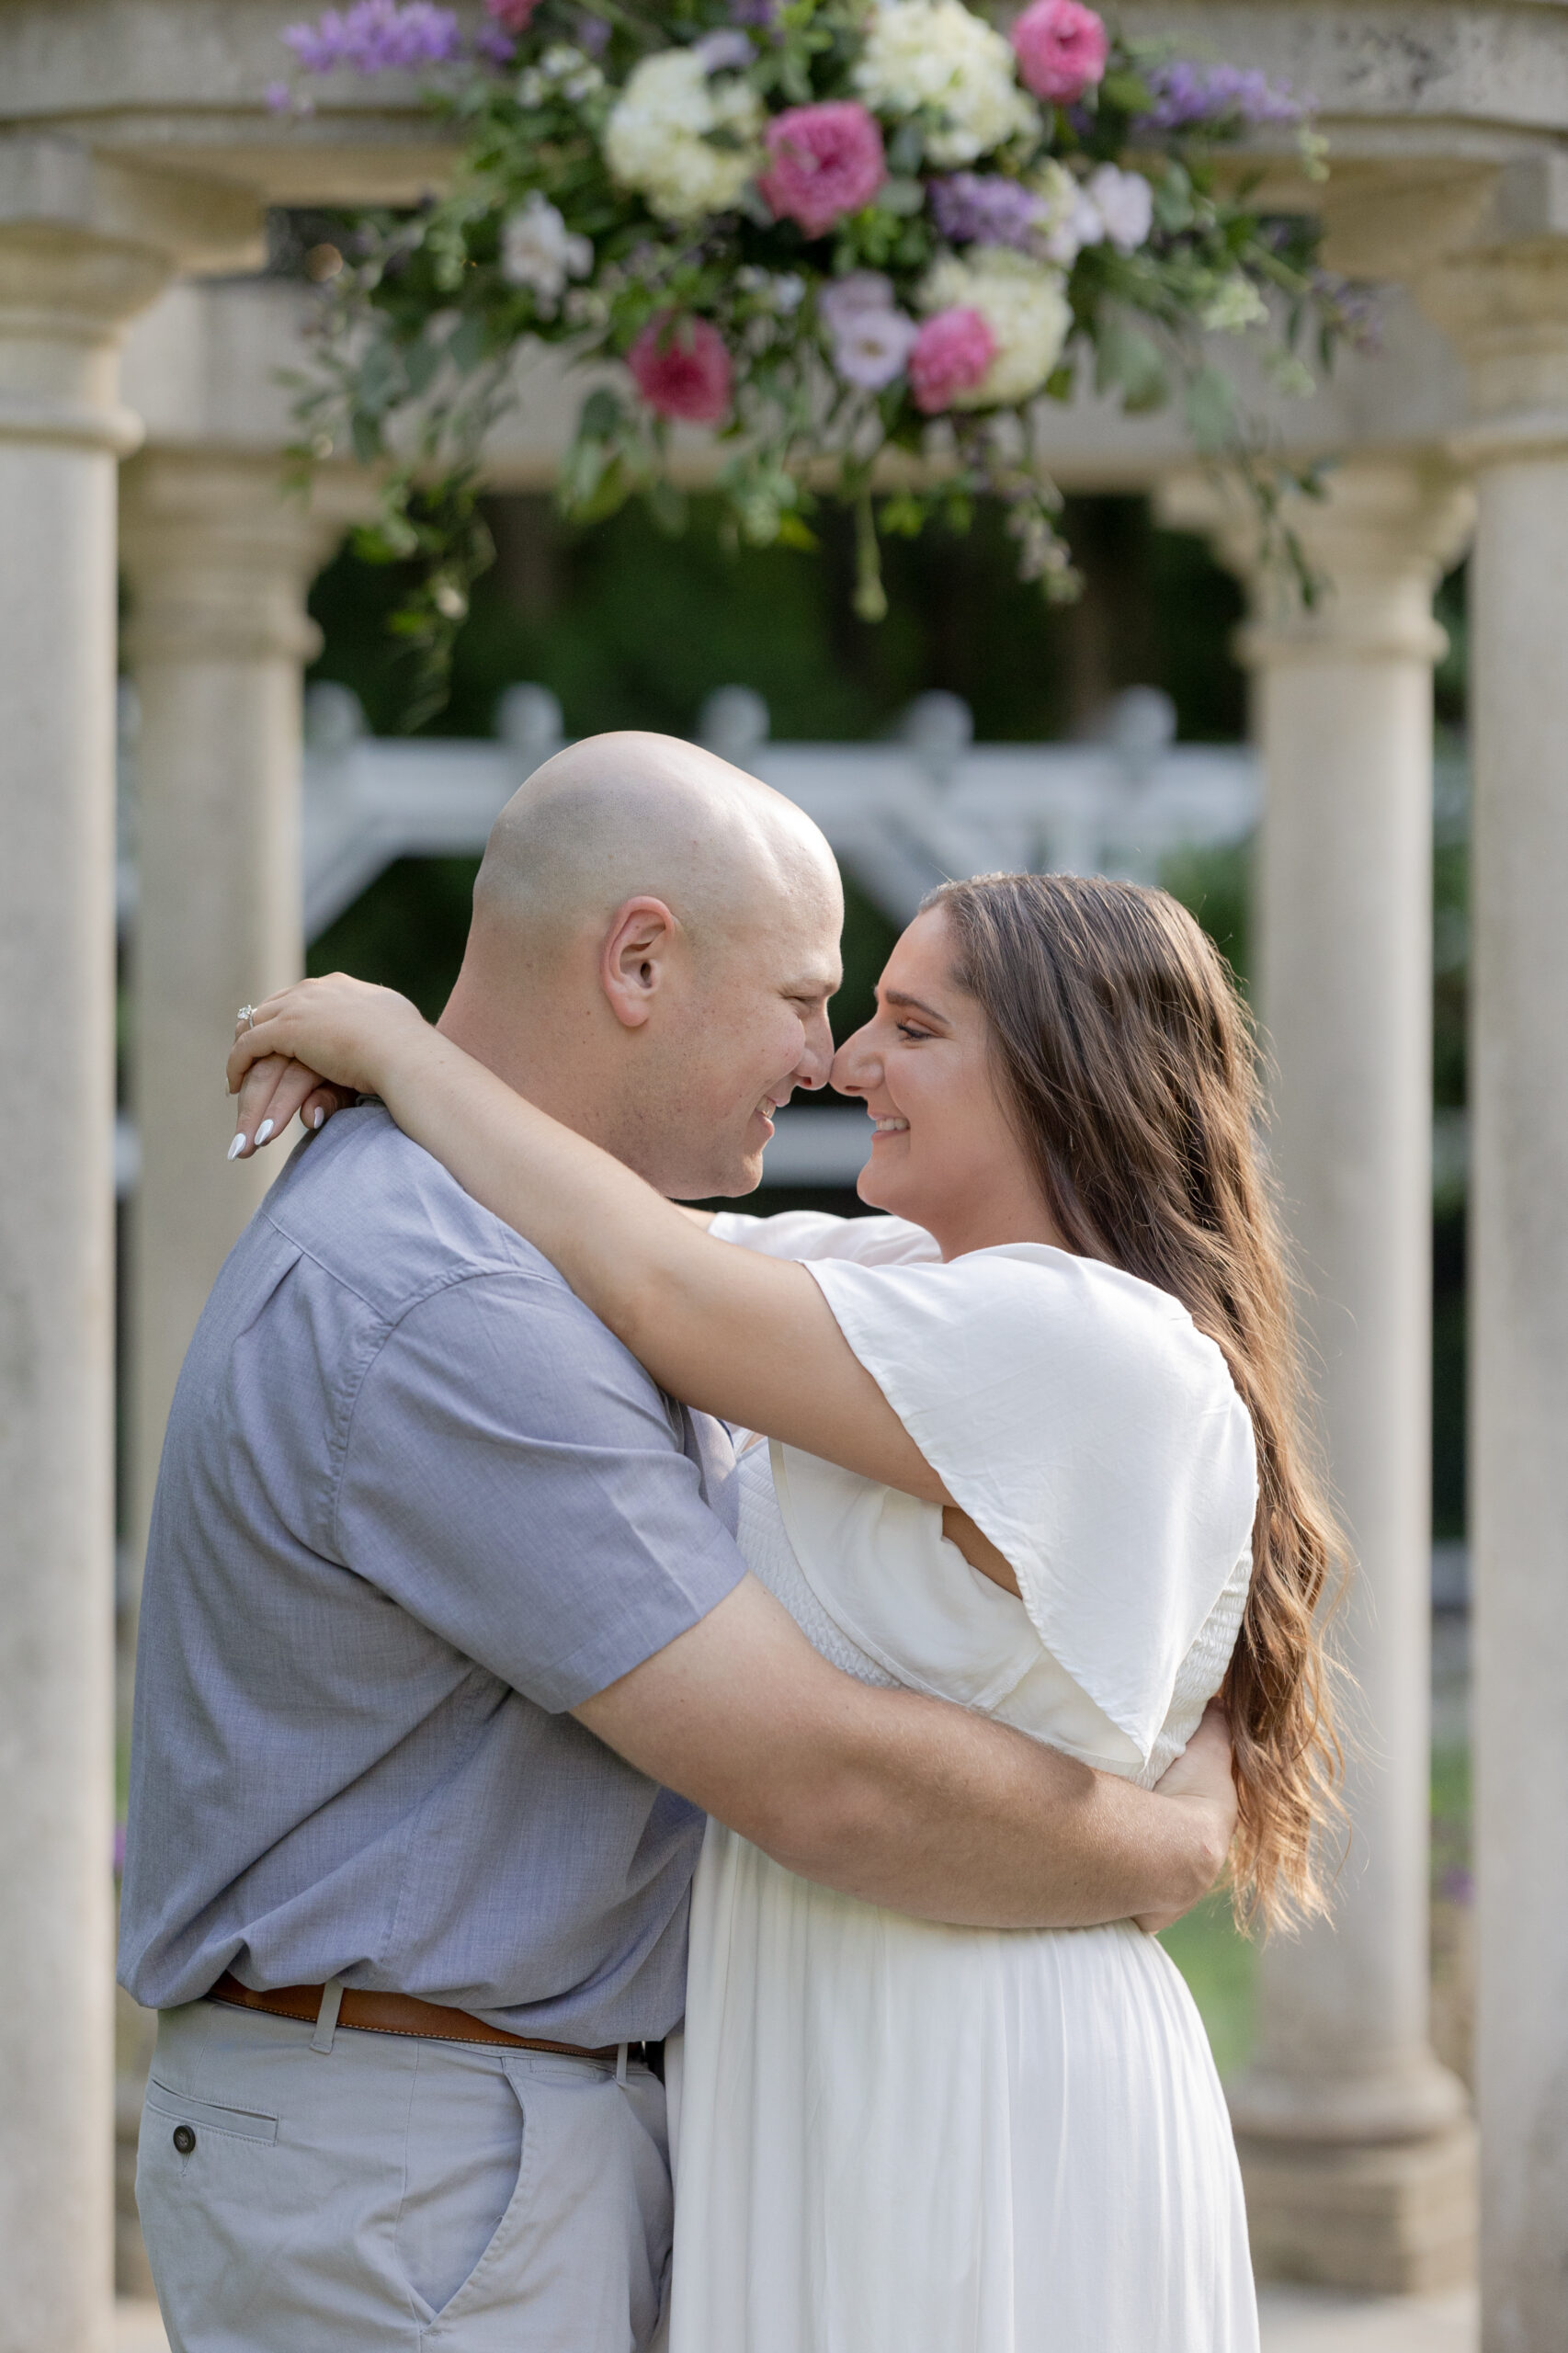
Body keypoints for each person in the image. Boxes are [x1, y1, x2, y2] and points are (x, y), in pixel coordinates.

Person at [120, 733, 1238, 2353]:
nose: (833, 1057)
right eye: (811, 999)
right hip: (429, 2158)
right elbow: (815, 1778)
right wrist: (1167, 1848)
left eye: (899, 1023)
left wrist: (405, 1058)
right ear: (638, 962)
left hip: (625, 2114)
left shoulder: (935, 1314)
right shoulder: (455, 1293)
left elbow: (668, 1278)